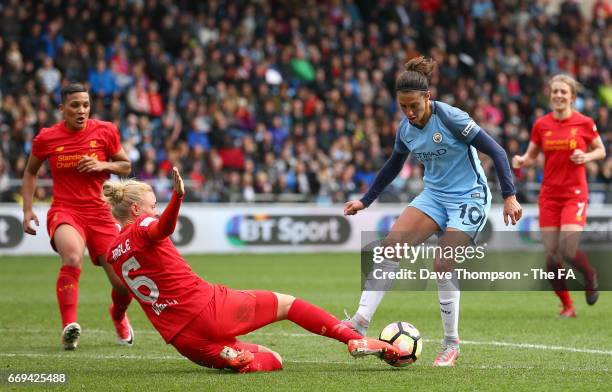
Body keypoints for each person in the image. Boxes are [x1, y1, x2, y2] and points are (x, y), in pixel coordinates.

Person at [101, 167, 399, 373]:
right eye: (152, 206)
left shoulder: (113, 253)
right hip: (207, 308)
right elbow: (162, 227)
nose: (155, 210)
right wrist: (177, 198)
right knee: (288, 304)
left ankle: (233, 358)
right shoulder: (142, 225)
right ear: (137, 211)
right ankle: (351, 338)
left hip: (184, 341)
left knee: (274, 359)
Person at [342, 57, 523, 367]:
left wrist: (510, 196)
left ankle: (451, 344)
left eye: (414, 105)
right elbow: (393, 166)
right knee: (388, 249)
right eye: (403, 107)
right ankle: (360, 321)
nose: (409, 113)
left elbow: (497, 151)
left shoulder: (451, 117)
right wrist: (366, 200)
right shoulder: (405, 129)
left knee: (442, 263)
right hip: (434, 196)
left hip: (470, 196)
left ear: (427, 96)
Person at [21, 83, 134, 350]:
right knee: (71, 256)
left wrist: (103, 164)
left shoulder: (105, 131)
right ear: (62, 109)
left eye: (85, 105)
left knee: (122, 282)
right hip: (66, 210)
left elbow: (126, 166)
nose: (81, 110)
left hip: (101, 213)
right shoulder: (46, 138)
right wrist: (27, 210)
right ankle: (69, 328)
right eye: (74, 105)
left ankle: (118, 316)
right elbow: (30, 172)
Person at [512, 74, 606, 317]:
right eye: (555, 92)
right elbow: (532, 156)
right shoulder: (541, 124)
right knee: (552, 256)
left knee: (567, 247)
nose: (559, 96)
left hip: (574, 194)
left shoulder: (584, 122)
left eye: (564, 92)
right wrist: (523, 160)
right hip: (549, 195)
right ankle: (567, 306)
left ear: (572, 97)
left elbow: (601, 150)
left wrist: (586, 157)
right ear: (550, 95)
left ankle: (589, 274)